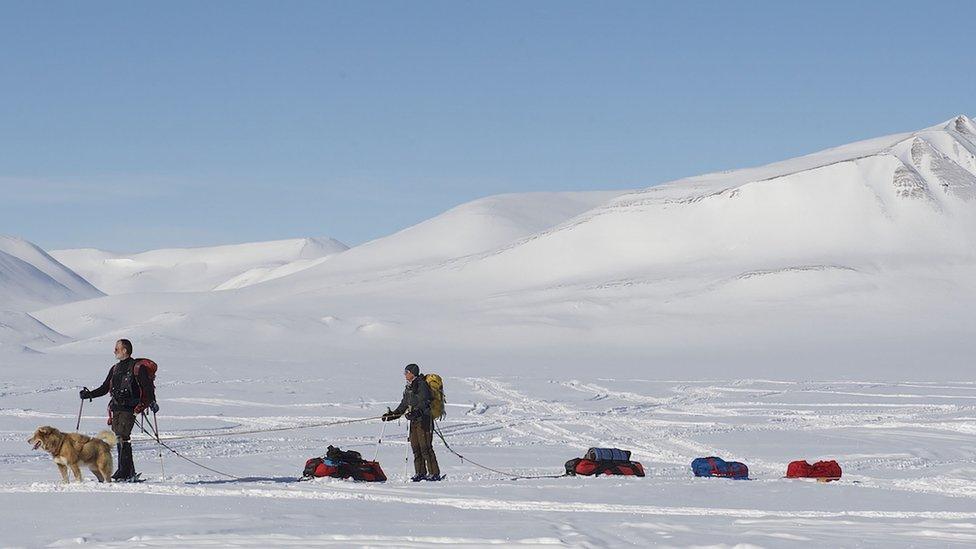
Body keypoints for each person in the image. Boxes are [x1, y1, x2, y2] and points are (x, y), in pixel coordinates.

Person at [79, 339, 157, 481]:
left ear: (124, 350)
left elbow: (148, 389)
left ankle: (124, 472)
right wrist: (89, 394)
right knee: (120, 438)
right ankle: (129, 472)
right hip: (116, 408)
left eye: (117, 349)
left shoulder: (138, 368)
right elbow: (104, 388)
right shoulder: (115, 368)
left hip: (130, 409)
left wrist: (147, 404)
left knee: (122, 437)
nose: (114, 351)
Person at [382, 363, 442, 481]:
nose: (405, 374)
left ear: (413, 373)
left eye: (407, 372)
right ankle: (420, 473)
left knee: (426, 447)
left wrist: (417, 412)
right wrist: (392, 415)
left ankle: (434, 473)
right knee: (416, 447)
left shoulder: (422, 385)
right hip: (414, 421)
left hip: (424, 420)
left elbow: (425, 403)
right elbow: (403, 405)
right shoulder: (408, 387)